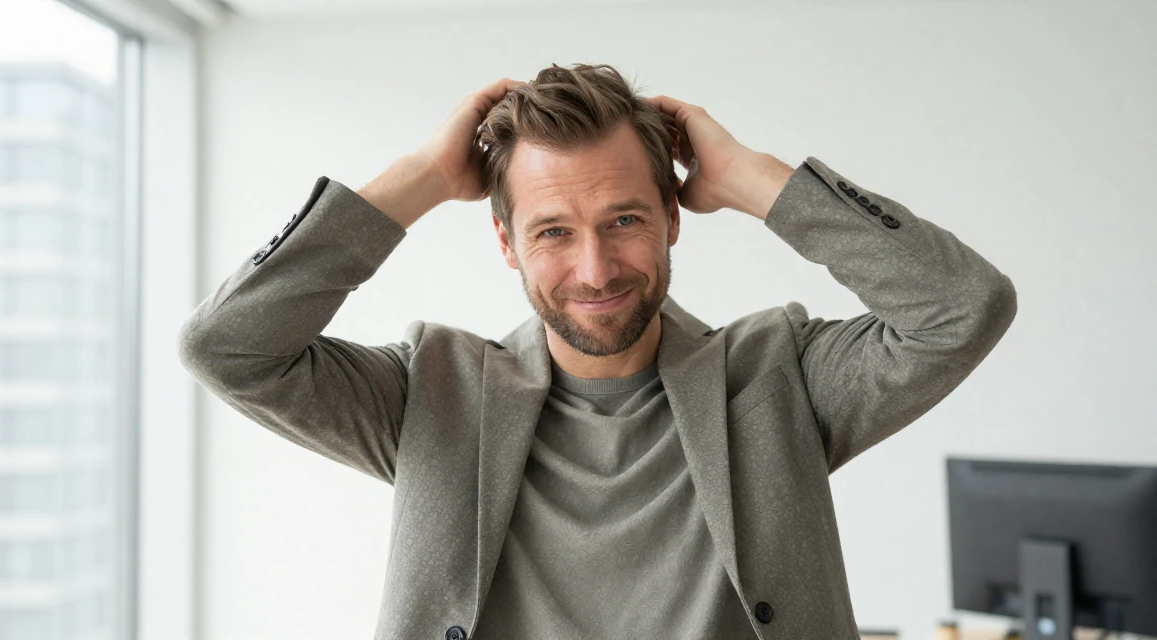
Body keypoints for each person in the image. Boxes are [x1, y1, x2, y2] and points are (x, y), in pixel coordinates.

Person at [178, 63, 1017, 640]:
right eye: (552, 231)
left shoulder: (777, 377)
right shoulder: (429, 394)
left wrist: (758, 178)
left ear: (673, 217)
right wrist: (423, 178)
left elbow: (962, 308)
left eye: (624, 220)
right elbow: (227, 346)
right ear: (504, 242)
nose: (595, 269)